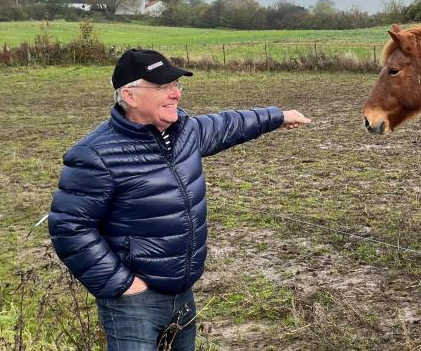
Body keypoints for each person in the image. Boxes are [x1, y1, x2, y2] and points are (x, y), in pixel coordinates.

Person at [49, 49, 310, 350]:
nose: (175, 94)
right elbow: (70, 228)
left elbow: (231, 124)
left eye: (176, 85)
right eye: (163, 87)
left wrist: (279, 116)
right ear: (130, 96)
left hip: (183, 295)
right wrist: (125, 285)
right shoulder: (96, 155)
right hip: (134, 304)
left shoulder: (185, 132)